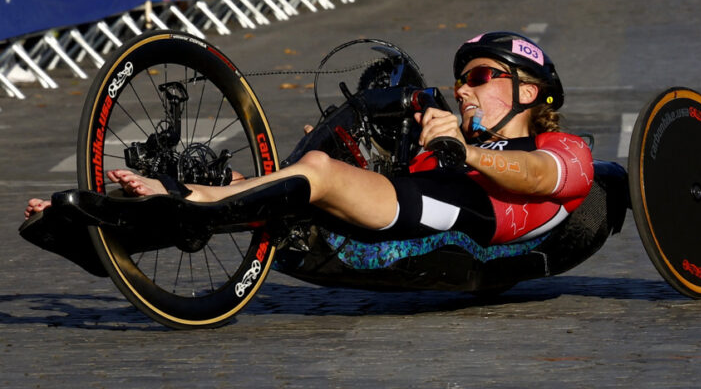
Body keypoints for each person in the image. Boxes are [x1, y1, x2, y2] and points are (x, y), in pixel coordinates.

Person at [25, 32, 593, 248]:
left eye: (478, 78)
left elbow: (542, 178)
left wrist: (465, 152)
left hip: (467, 215)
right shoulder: (437, 144)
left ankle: (176, 199)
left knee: (317, 172)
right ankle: (120, 224)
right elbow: (392, 179)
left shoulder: (568, 151)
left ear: (529, 93)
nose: (463, 92)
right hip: (409, 206)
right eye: (460, 80)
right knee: (281, 186)